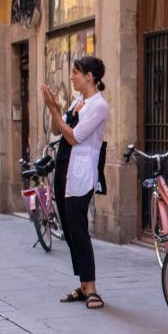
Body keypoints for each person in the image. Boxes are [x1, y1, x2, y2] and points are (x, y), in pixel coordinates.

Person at [43, 56, 110, 310]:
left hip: (80, 172)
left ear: (90, 76)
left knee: (79, 227)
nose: (72, 77)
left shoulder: (98, 106)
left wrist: (53, 111)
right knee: (69, 229)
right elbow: (57, 130)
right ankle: (83, 285)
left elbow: (74, 137)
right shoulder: (78, 102)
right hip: (63, 167)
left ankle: (92, 288)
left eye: (76, 73)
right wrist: (56, 109)